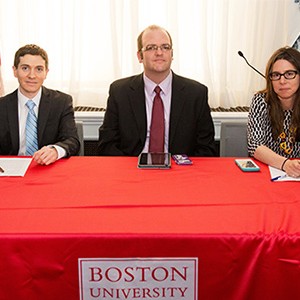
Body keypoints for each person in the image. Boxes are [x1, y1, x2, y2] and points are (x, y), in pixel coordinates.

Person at [97, 24, 216, 157]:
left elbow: (207, 149)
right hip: (133, 171)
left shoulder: (196, 94)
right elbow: (107, 145)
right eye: (151, 48)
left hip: (179, 172)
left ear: (172, 54)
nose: (159, 53)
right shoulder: (120, 92)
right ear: (140, 56)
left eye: (165, 47)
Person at [0, 44, 80, 165]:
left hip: (48, 169)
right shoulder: (2, 106)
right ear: (15, 71)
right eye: (25, 68)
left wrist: (55, 151)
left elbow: (72, 140)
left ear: (46, 73)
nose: (32, 76)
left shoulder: (61, 102)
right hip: (11, 173)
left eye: (39, 69)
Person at [248, 46, 300, 177]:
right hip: (269, 173)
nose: (282, 81)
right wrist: (286, 164)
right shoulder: (261, 101)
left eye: (289, 74)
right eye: (276, 75)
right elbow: (255, 145)